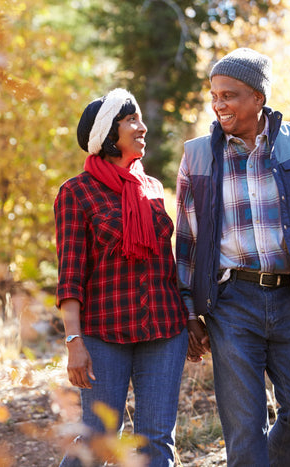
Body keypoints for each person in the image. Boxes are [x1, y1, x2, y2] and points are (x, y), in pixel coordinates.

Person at [175, 48, 290, 466]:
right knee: (245, 433)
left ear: (258, 97)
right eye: (214, 95)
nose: (218, 104)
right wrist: (189, 311)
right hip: (232, 304)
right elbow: (186, 243)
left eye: (229, 94)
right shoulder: (198, 155)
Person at [54, 88, 188, 467]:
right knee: (98, 440)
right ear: (108, 135)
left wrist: (190, 318)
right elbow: (70, 276)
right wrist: (74, 340)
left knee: (156, 442)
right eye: (131, 120)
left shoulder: (151, 188)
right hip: (104, 334)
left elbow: (169, 262)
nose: (142, 127)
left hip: (164, 330)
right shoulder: (75, 193)